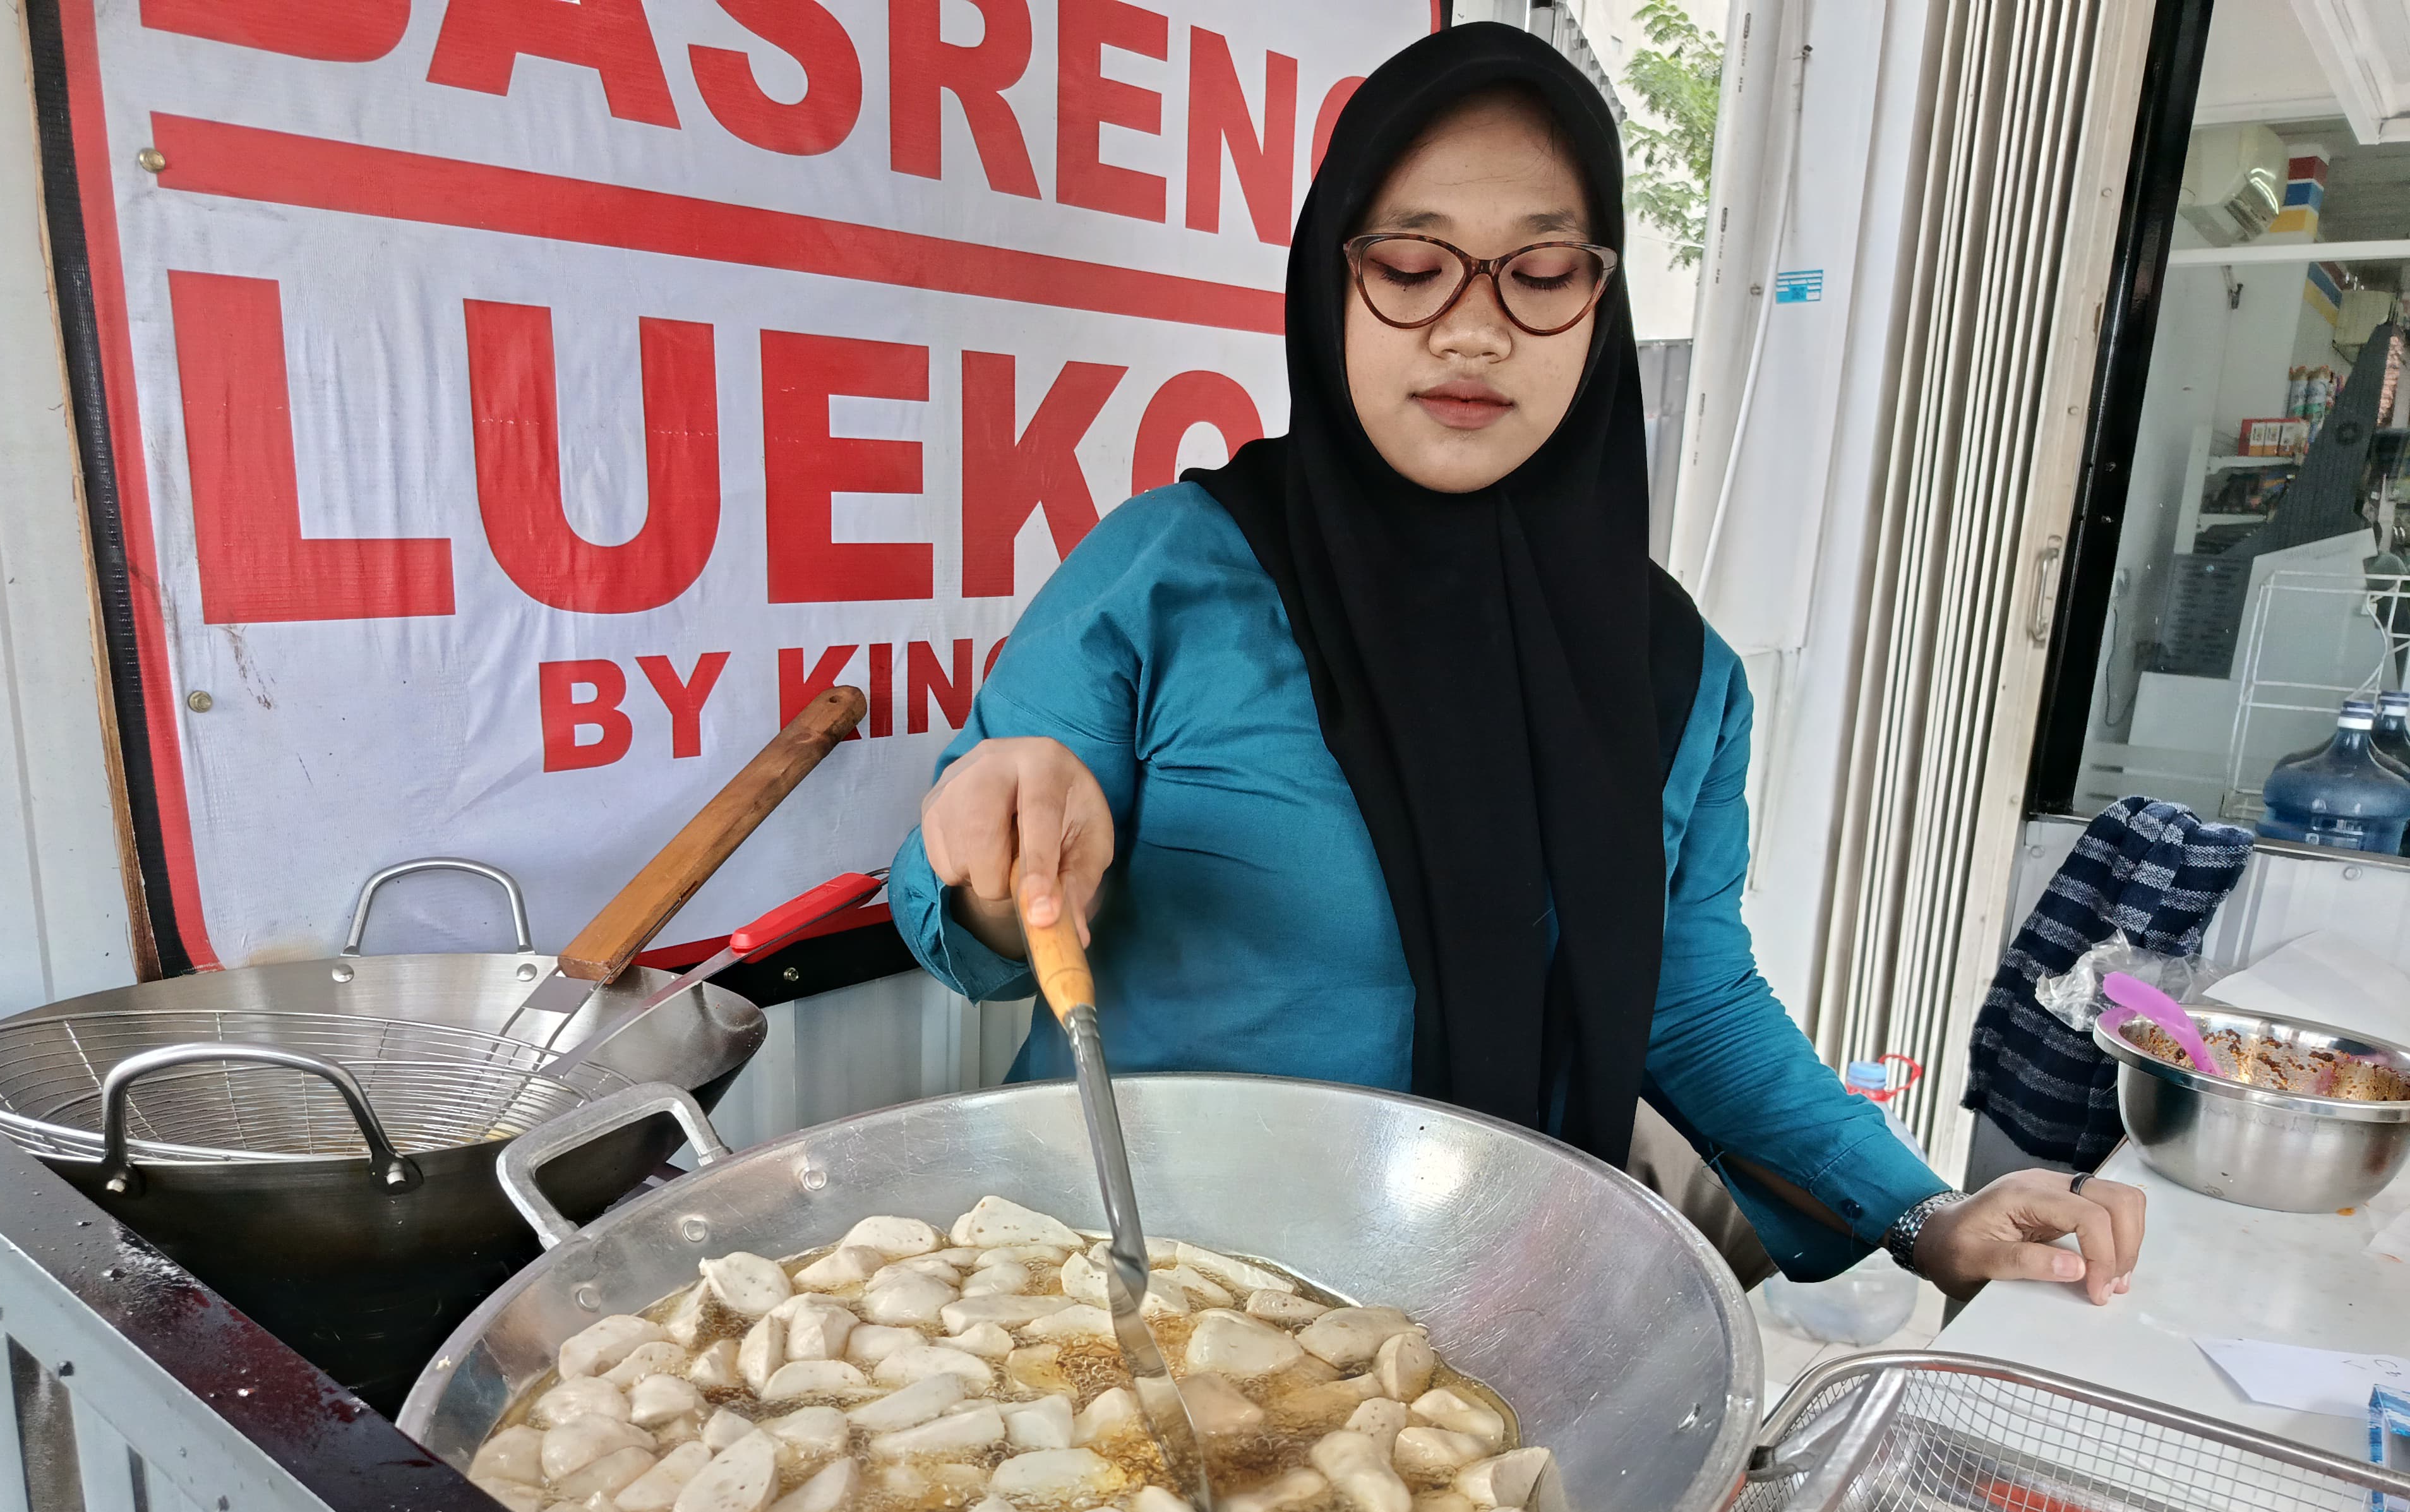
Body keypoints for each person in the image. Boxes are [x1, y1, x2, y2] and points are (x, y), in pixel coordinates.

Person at [887, 23, 2143, 1304]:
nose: (1473, 331)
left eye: (1538, 272)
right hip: (1125, 1298)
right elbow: (966, 931)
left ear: (1596, 304)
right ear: (1331, 282)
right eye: (1412, 265)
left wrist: (1919, 1209)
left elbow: (1691, 1001)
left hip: (1471, 1327)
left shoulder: (1670, 674)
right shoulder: (1164, 576)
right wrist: (1008, 863)